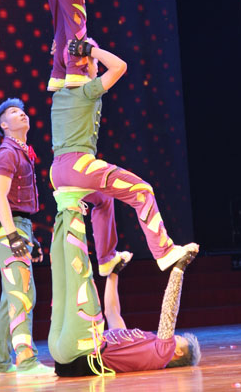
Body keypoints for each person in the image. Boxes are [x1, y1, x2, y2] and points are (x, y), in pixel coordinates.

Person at [50, 38, 198, 276]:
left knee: (103, 199)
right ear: (85, 63)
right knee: (142, 191)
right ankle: (165, 252)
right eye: (95, 62)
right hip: (80, 166)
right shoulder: (87, 90)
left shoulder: (59, 93)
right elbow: (119, 66)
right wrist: (90, 49)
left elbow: (62, 64)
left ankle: (106, 259)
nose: (97, 66)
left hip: (57, 172)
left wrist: (61, 51)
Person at [48, 194, 201, 376]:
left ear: (178, 352)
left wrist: (179, 269)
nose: (173, 335)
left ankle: (71, 204)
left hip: (83, 353)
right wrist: (114, 273)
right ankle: (64, 206)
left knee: (81, 280)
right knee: (61, 280)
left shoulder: (163, 354)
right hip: (65, 353)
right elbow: (112, 312)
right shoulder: (140, 343)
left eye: (179, 338)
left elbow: (169, 313)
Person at [0, 98, 55, 378]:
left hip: (18, 226)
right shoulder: (7, 153)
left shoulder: (23, 152)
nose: (22, 114)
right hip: (8, 229)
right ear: (4, 125)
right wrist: (14, 236)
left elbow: (19, 208)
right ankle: (26, 362)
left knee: (11, 298)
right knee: (22, 294)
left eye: (23, 111)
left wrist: (29, 237)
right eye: (14, 112)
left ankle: (0, 364)